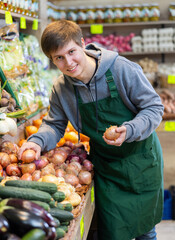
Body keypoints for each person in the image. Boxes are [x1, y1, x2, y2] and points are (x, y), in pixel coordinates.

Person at [18, 19, 164, 240]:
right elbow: (55, 124)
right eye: (59, 58)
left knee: (145, 229)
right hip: (106, 167)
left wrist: (131, 129)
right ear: (52, 60)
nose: (69, 62)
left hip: (140, 160)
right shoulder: (61, 88)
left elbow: (154, 107)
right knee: (113, 231)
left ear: (83, 44)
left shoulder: (120, 69)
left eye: (72, 52)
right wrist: (37, 141)